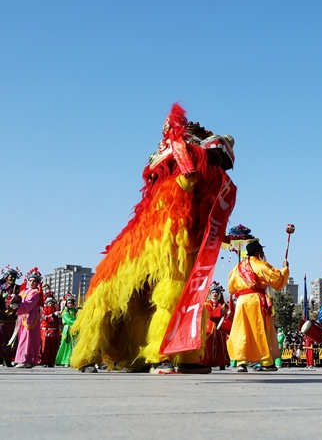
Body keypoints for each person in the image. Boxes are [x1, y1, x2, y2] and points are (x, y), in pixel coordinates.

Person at [69, 104, 237, 374]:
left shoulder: (203, 187)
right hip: (154, 243)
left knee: (187, 295)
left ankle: (185, 356)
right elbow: (189, 177)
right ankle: (134, 355)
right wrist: (181, 149)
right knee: (127, 299)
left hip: (185, 239)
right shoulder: (174, 187)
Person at [227, 240, 289, 372]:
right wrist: (285, 269)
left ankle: (241, 362)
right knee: (261, 330)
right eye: (262, 251)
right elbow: (277, 280)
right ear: (257, 252)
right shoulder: (260, 265)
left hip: (242, 301)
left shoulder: (237, 268)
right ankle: (266, 361)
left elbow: (231, 288)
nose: (263, 253)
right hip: (256, 301)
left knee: (241, 330)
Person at [13, 268, 44, 368]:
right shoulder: (23, 291)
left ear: (37, 283)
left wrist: (19, 306)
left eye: (34, 281)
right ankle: (20, 358)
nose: (32, 282)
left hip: (31, 318)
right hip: (22, 317)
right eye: (30, 280)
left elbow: (28, 304)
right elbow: (18, 300)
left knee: (28, 338)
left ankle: (26, 359)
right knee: (21, 337)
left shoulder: (36, 293)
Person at [200, 282, 229, 370]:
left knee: (221, 344)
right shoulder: (207, 304)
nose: (215, 294)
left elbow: (226, 314)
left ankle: (221, 362)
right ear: (210, 294)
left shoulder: (222, 304)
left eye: (216, 292)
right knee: (209, 344)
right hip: (210, 327)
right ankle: (208, 362)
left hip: (220, 328)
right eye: (212, 292)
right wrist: (220, 309)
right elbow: (212, 316)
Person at [1, 266, 22, 367]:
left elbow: (22, 299)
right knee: (2, 337)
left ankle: (9, 359)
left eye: (14, 277)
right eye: (10, 276)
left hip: (14, 318)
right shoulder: (2, 287)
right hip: (2, 317)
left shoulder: (18, 288)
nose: (12, 279)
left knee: (12, 339)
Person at [55, 294, 78, 366]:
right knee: (67, 345)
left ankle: (74, 360)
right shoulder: (65, 312)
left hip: (75, 330)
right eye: (68, 303)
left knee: (75, 345)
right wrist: (78, 323)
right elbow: (68, 320)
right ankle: (65, 361)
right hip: (68, 329)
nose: (70, 304)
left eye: (71, 303)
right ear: (66, 304)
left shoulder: (76, 311)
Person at [39, 295, 61, 367]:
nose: (50, 304)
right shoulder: (44, 310)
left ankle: (51, 362)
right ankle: (44, 362)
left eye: (52, 303)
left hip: (54, 332)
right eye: (49, 303)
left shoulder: (55, 310)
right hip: (46, 332)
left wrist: (60, 317)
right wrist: (53, 315)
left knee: (53, 348)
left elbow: (59, 322)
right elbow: (45, 318)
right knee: (45, 348)